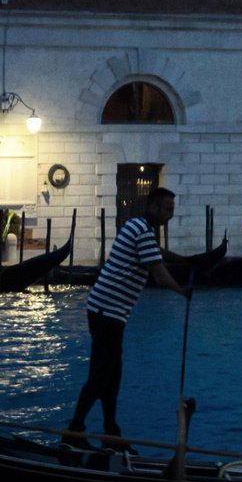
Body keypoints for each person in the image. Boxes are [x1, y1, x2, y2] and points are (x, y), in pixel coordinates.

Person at [65, 186, 189, 447]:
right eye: (168, 209)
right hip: (106, 313)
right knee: (100, 376)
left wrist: (190, 260)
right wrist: (182, 292)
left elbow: (159, 253)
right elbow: (159, 274)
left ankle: (111, 432)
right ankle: (74, 432)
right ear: (153, 207)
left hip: (107, 312)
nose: (170, 215)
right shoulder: (143, 231)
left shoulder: (138, 227)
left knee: (112, 375)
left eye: (172, 210)